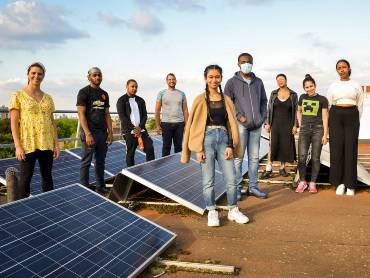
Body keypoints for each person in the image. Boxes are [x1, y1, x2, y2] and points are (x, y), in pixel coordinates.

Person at [181, 64, 249, 227]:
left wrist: (230, 145)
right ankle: (212, 211)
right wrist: (198, 149)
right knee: (208, 179)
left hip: (224, 139)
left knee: (232, 178)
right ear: (205, 79)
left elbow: (231, 123)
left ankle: (233, 210)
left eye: (217, 77)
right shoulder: (199, 99)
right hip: (206, 140)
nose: (214, 80)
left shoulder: (226, 100)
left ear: (221, 78)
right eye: (210, 77)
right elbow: (193, 125)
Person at [9, 62, 60, 198]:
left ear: (43, 76)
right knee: (25, 178)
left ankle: (48, 206)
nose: (36, 76)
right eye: (33, 73)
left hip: (47, 142)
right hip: (28, 143)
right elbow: (13, 122)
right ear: (28, 74)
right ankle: (21, 210)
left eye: (40, 74)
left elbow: (52, 121)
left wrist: (56, 144)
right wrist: (18, 146)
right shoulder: (18, 95)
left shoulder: (48, 98)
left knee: (47, 177)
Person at [224, 53, 268, 199]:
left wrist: (262, 117)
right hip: (240, 125)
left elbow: (263, 101)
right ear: (238, 64)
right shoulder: (231, 82)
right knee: (238, 158)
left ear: (252, 63)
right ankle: (236, 189)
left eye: (248, 62)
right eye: (243, 62)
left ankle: (253, 187)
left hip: (256, 126)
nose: (246, 64)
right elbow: (228, 103)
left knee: (254, 158)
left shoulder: (259, 82)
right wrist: (239, 116)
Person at [328, 59, 364, 196]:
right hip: (336, 115)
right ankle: (340, 183)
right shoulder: (333, 85)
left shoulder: (356, 85)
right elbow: (330, 103)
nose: (342, 69)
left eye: (344, 67)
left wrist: (356, 120)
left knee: (350, 149)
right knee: (336, 149)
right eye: (339, 67)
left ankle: (350, 184)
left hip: (352, 116)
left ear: (349, 69)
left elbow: (360, 104)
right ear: (337, 70)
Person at [76, 67, 113, 194]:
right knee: (86, 162)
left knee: (100, 161)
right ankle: (84, 189)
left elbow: (107, 114)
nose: (97, 77)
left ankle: (100, 186)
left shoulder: (104, 94)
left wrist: (110, 133)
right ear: (89, 77)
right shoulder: (83, 92)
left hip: (102, 133)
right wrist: (87, 133)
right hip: (90, 133)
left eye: (99, 75)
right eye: (95, 75)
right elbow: (81, 113)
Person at [296, 74, 329, 193]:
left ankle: (313, 183)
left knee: (315, 158)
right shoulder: (302, 97)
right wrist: (300, 124)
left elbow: (325, 117)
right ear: (304, 88)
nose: (309, 89)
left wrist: (325, 135)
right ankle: (302, 182)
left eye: (311, 86)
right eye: (307, 87)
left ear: (315, 85)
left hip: (318, 129)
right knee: (302, 157)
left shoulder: (323, 99)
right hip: (304, 130)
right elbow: (298, 111)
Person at [262, 74, 298, 179]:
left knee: (285, 145)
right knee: (272, 144)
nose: (280, 81)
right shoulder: (273, 93)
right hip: (275, 123)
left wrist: (295, 125)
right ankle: (269, 168)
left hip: (288, 124)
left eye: (282, 79)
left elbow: (296, 111)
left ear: (286, 80)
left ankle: (282, 168)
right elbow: (268, 109)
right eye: (278, 80)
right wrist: (267, 123)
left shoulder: (293, 94)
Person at [117, 79, 155, 166]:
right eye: (132, 86)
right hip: (129, 131)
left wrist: (140, 127)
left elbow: (145, 115)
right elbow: (122, 117)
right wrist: (133, 128)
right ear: (127, 87)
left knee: (150, 148)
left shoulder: (141, 100)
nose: (134, 88)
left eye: (136, 87)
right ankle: (131, 176)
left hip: (141, 130)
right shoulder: (121, 100)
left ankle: (151, 170)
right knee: (130, 153)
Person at [155, 73, 189, 156]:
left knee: (179, 147)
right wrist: (158, 125)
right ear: (166, 81)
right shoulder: (161, 93)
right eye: (169, 79)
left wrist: (187, 125)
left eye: (173, 79)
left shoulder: (182, 94)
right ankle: (164, 166)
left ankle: (178, 165)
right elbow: (157, 110)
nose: (171, 81)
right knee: (166, 147)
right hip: (166, 124)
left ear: (176, 81)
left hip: (179, 124)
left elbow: (185, 110)